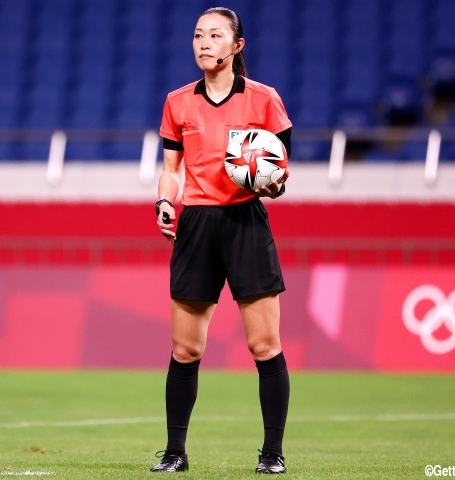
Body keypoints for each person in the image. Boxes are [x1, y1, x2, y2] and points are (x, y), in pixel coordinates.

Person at [150, 6, 292, 475]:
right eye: (197, 35)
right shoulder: (177, 102)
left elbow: (279, 170)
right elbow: (171, 170)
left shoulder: (263, 99)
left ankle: (272, 454)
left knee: (264, 345)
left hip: (245, 223)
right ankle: (175, 453)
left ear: (237, 46)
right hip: (198, 227)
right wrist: (166, 202)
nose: (204, 43)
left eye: (215, 35)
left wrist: (271, 184)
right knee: (184, 350)